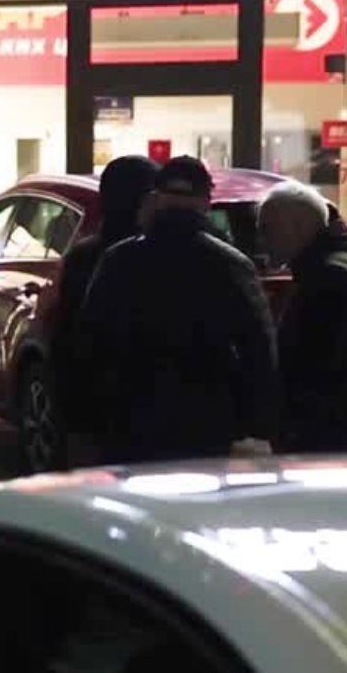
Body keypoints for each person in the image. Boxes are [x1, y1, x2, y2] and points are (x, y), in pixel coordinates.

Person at [78, 156, 278, 462]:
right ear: (206, 202)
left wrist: (92, 416)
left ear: (156, 199)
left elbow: (90, 340)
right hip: (207, 419)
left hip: (129, 417)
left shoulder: (118, 260)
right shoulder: (230, 264)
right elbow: (259, 347)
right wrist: (257, 423)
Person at [50, 156, 159, 466]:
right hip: (152, 410)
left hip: (95, 407)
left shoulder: (82, 257)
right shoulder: (160, 256)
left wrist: (69, 413)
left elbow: (66, 337)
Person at [259, 181, 347, 453]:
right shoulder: (324, 271)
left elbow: (315, 365)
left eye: (267, 228)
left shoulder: (326, 280)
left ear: (297, 226)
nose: (262, 240)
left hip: (325, 436)